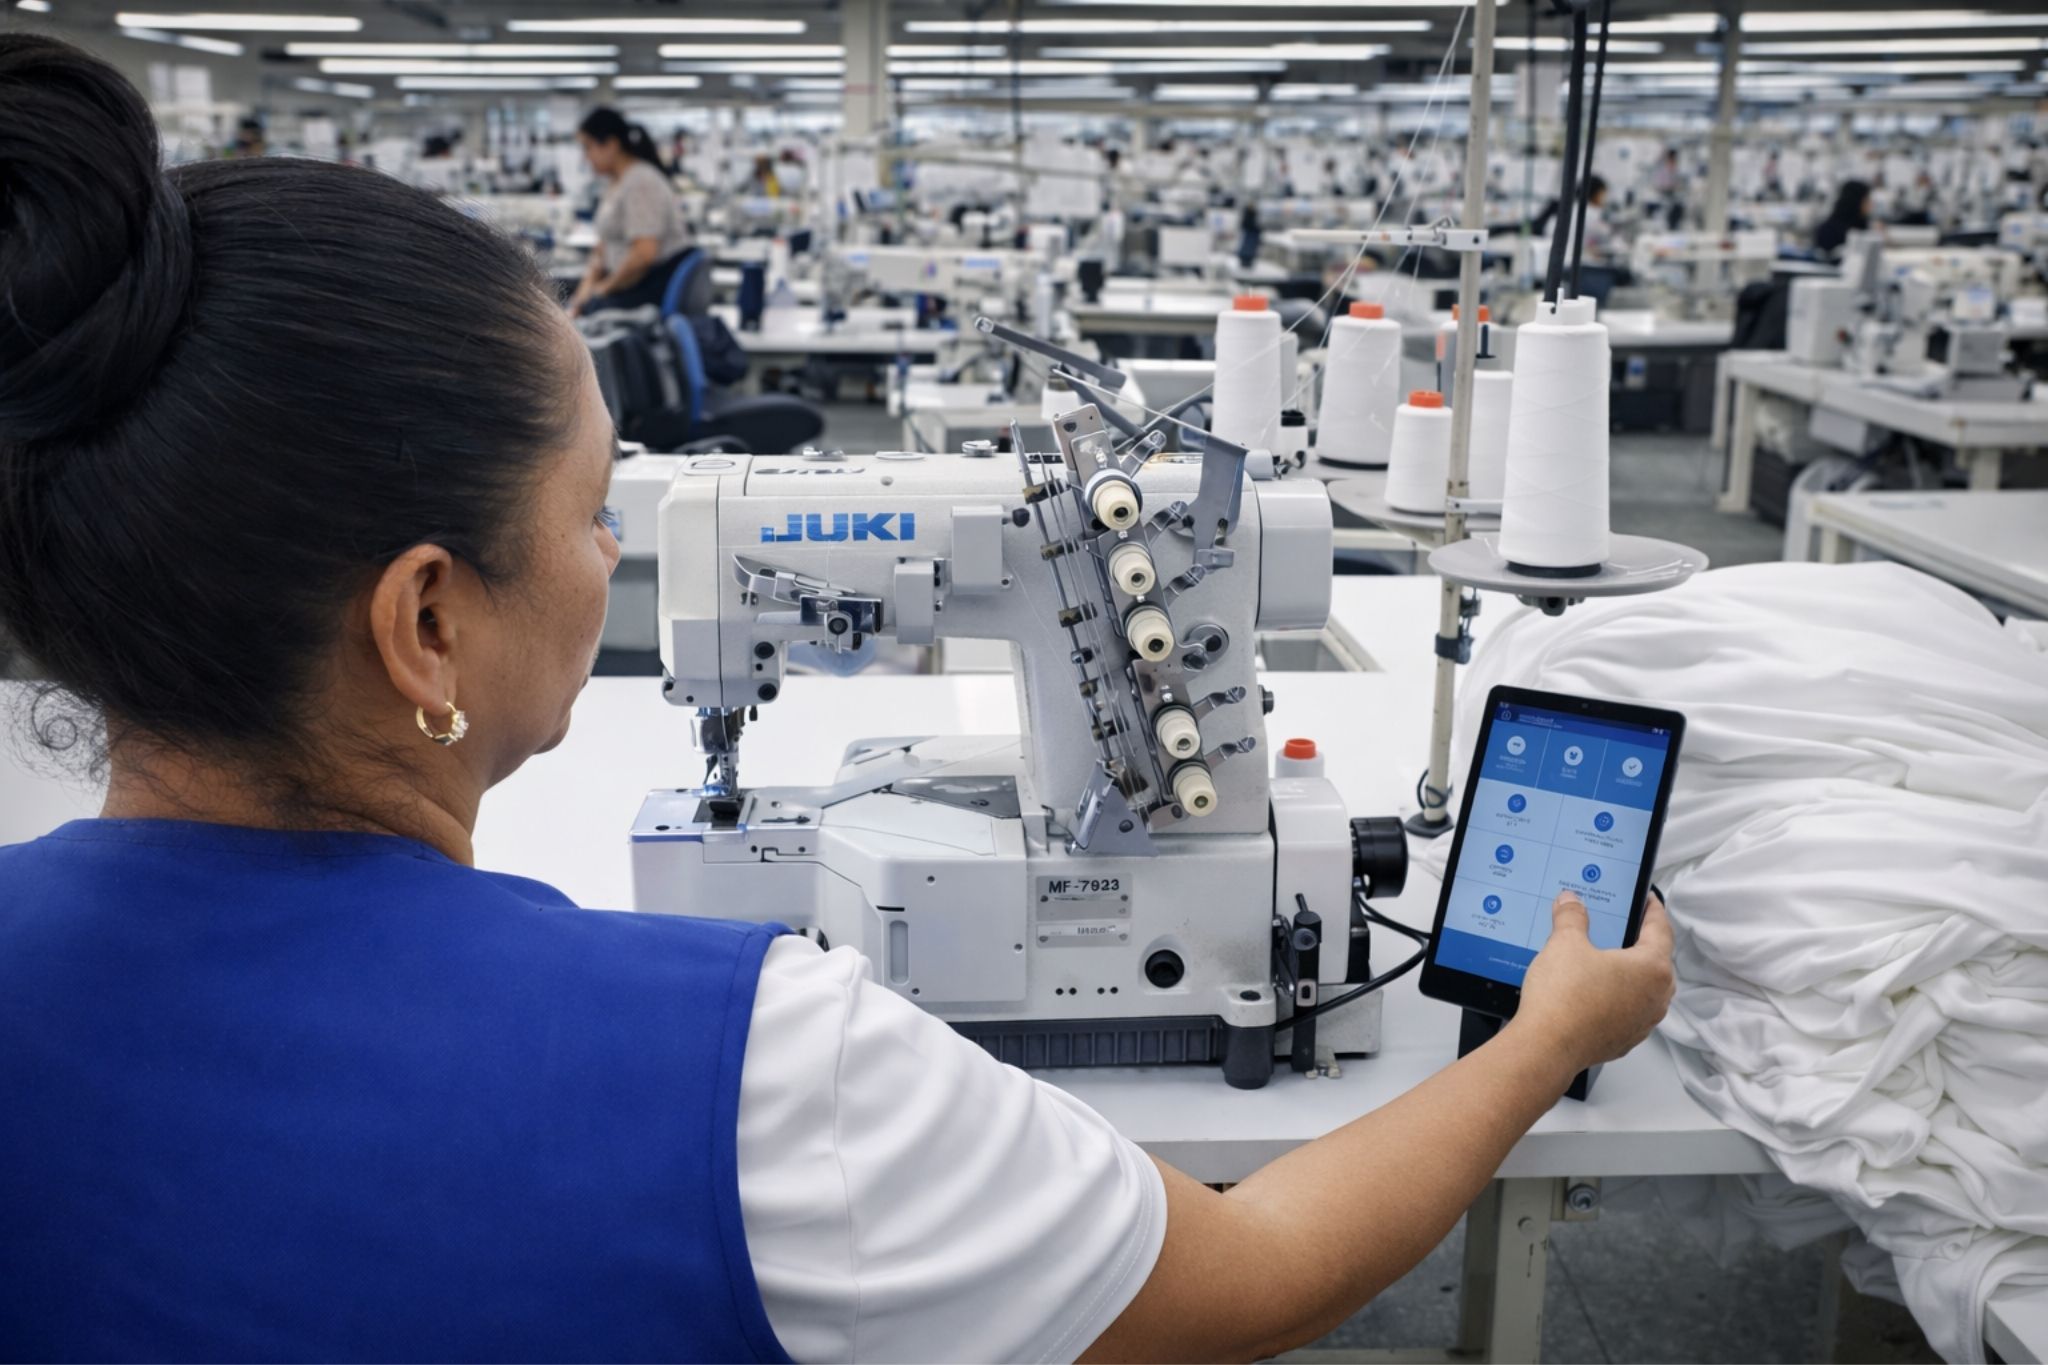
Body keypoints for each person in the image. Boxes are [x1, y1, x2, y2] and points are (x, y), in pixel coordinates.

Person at [0, 35, 1677, 1363]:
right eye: (594, 511)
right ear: (426, 624)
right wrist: (1545, 1038)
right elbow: (1254, 1282)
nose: (613, 561)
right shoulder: (748, 1072)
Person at [568, 106, 689, 316]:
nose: (585, 158)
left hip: (646, 287)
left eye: (588, 148)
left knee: (590, 316)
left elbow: (644, 255)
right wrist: (582, 296)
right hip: (627, 283)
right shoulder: (617, 182)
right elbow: (601, 250)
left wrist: (601, 290)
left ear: (612, 145)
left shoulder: (641, 181)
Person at [1813, 179, 1873, 257]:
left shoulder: (1861, 226)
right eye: (1867, 200)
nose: (1871, 204)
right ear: (1856, 201)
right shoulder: (1829, 231)